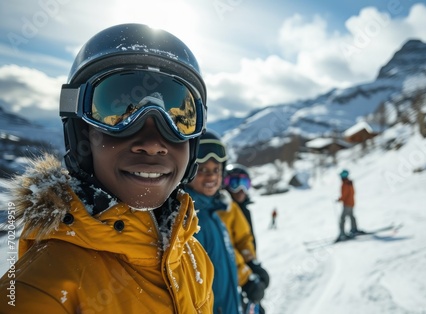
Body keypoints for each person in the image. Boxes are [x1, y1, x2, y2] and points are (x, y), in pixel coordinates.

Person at [0, 24, 214, 313]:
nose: (152, 143)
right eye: (118, 112)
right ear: (81, 133)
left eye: (179, 118)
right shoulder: (39, 292)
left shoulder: (193, 256)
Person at [184, 131, 267, 314]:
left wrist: (251, 266)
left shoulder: (213, 212)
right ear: (187, 170)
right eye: (202, 170)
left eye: (216, 170)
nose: (211, 177)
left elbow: (230, 254)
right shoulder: (192, 221)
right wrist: (247, 278)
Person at [224, 163, 271, 313]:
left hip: (243, 274)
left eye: (244, 183)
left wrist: (252, 263)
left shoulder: (243, 210)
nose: (240, 189)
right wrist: (246, 277)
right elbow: (227, 247)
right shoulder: (224, 209)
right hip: (232, 279)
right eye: (234, 183)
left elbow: (244, 242)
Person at [337, 169, 359, 240]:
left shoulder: (345, 184)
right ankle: (354, 229)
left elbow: (344, 195)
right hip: (351, 203)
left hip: (347, 204)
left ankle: (342, 234)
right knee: (351, 216)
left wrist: (339, 199)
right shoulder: (349, 183)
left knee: (342, 218)